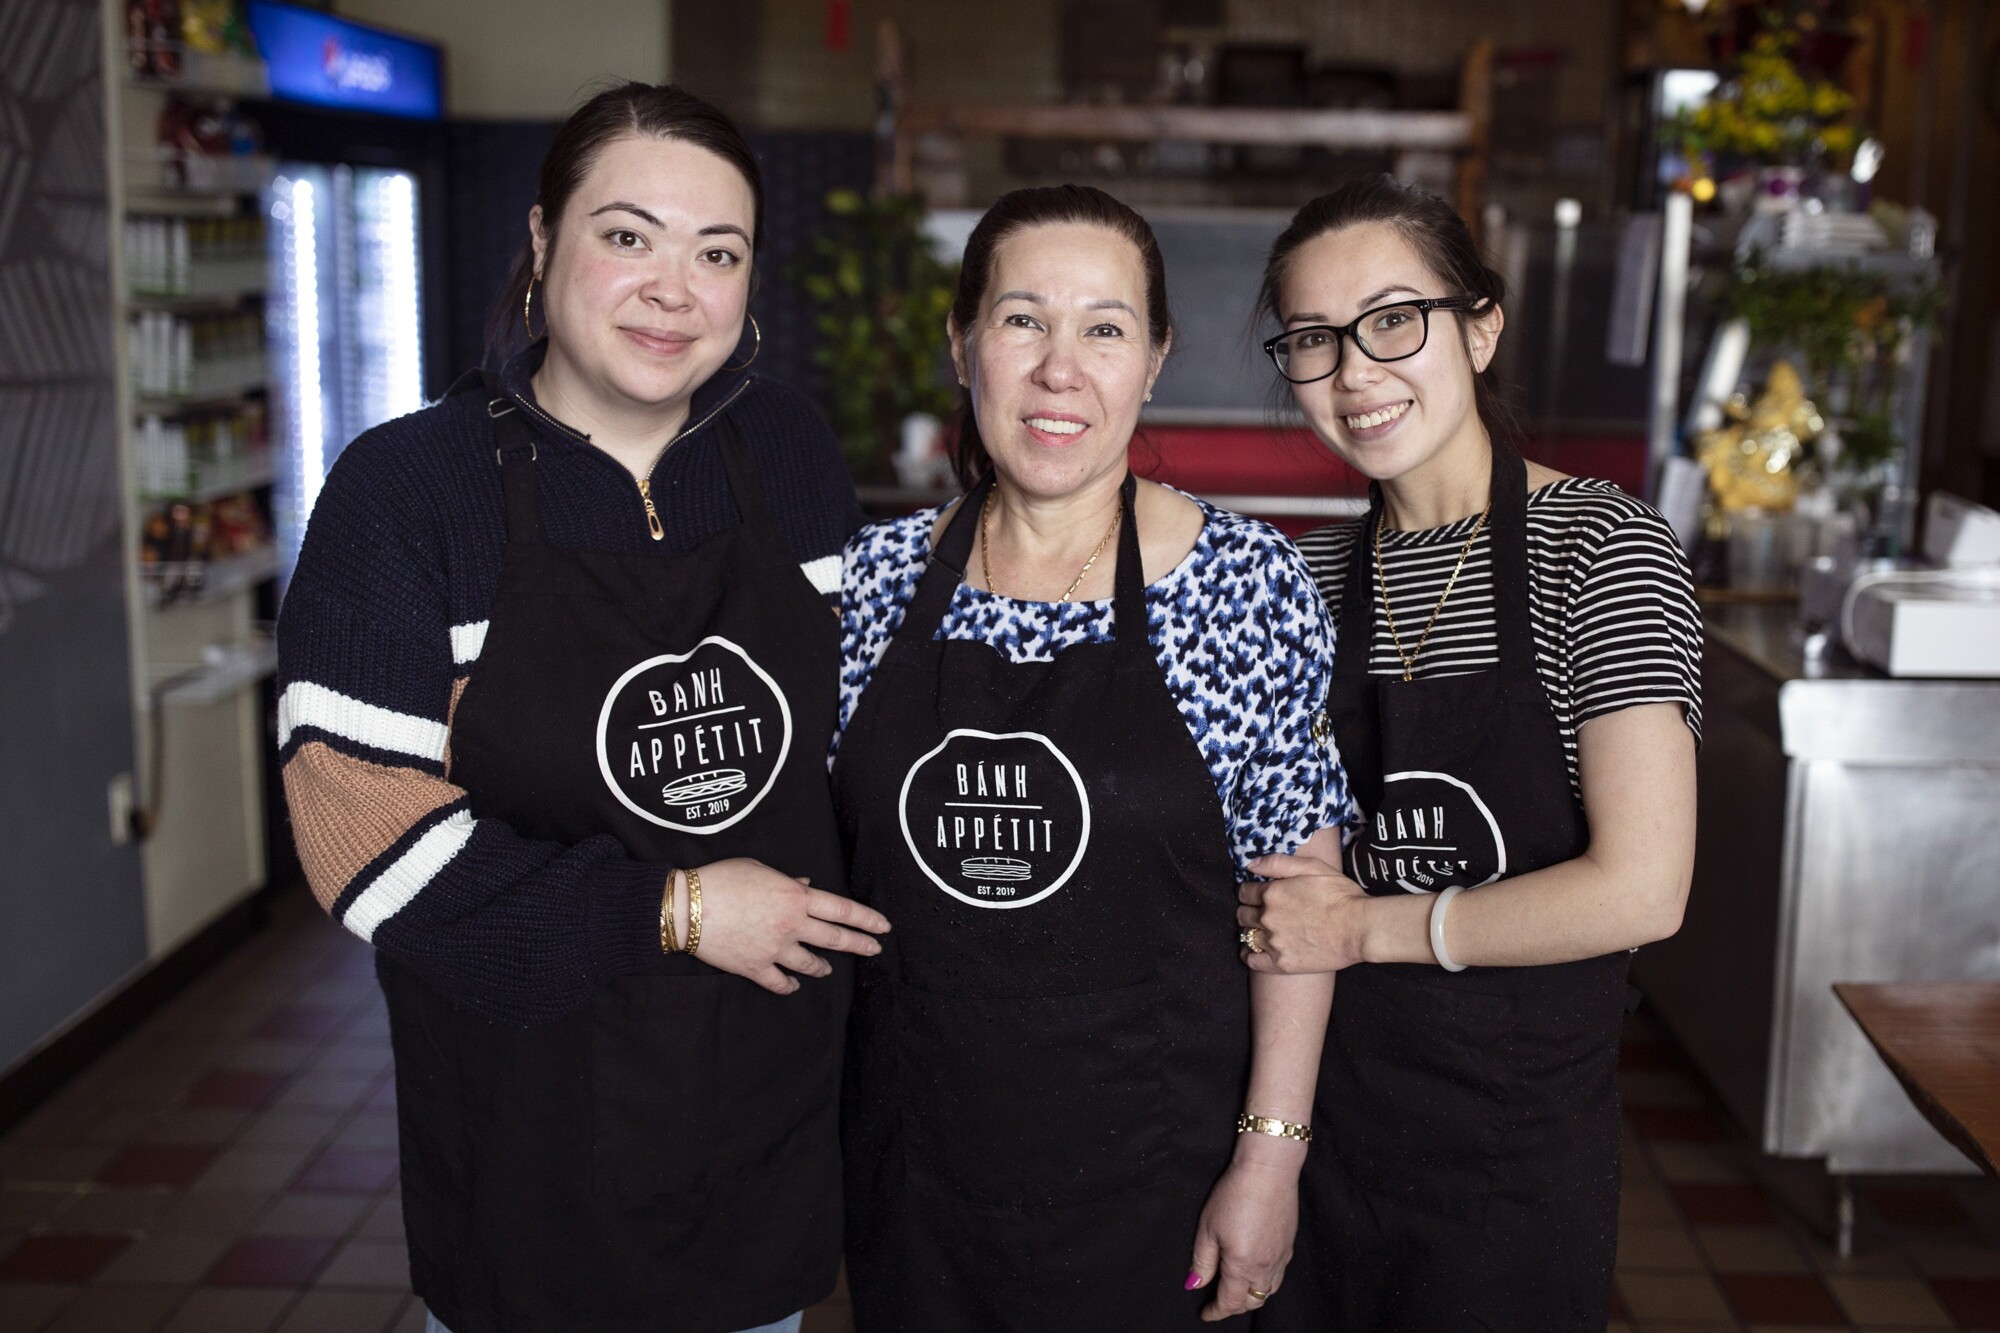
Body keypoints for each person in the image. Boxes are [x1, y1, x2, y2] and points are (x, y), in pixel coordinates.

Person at [275, 83, 889, 1333]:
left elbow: (852, 738)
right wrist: (678, 907)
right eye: (628, 236)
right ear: (544, 241)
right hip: (534, 1137)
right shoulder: (410, 489)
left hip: (761, 1124)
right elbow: (366, 843)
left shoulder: (785, 449)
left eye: (717, 252)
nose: (675, 288)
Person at [831, 184, 1356, 1331]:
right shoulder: (867, 583)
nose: (1058, 368)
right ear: (960, 342)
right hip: (917, 1179)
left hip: (1157, 1184)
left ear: (1153, 359)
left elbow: (1298, 905)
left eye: (1103, 329)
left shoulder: (1240, 586)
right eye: (1022, 321)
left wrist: (1268, 1162)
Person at [1235, 174, 1702, 1331]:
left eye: (1393, 320)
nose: (1353, 371)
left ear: (1480, 326)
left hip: (1508, 1158)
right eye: (1311, 339)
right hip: (1323, 1130)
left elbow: (1643, 888)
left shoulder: (1598, 545)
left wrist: (1363, 926)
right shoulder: (1305, 576)